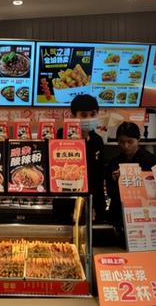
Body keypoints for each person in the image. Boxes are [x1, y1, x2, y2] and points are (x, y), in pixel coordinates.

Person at [56, 94, 106, 222]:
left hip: (92, 202)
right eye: (83, 115)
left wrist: (95, 205)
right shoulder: (61, 135)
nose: (89, 118)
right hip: (66, 201)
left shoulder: (97, 140)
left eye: (92, 114)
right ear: (73, 116)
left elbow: (98, 176)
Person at [106, 121, 156, 226]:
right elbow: (110, 192)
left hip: (144, 213)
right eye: (121, 142)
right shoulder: (114, 163)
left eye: (130, 142)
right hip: (119, 215)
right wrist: (115, 180)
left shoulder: (151, 161)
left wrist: (128, 175)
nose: (126, 146)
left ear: (138, 140)